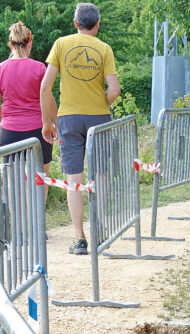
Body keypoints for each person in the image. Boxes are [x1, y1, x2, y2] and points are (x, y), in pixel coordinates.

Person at [40, 2, 119, 255]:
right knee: (101, 175)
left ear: (75, 23)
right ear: (98, 24)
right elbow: (114, 90)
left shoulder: (61, 44)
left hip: (68, 119)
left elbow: (45, 86)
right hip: (99, 118)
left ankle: (80, 239)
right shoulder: (104, 48)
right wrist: (99, 103)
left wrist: (47, 122)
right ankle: (102, 232)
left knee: (73, 179)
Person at [0, 22, 52, 178]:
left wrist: (3, 120)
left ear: (10, 44)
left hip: (10, 132)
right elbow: (48, 100)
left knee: (13, 183)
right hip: (37, 131)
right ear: (30, 43)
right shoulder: (39, 68)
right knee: (40, 181)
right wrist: (55, 123)